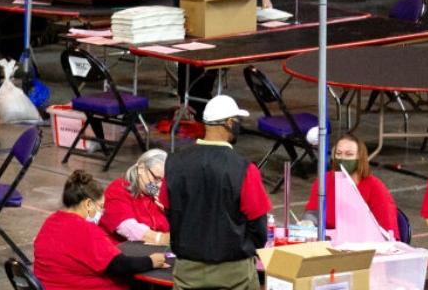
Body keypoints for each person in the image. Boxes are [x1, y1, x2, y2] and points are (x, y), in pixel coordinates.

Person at [161, 94, 271, 290]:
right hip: (235, 272)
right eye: (237, 121)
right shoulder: (244, 169)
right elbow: (258, 225)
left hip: (188, 270)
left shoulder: (173, 163)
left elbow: (168, 209)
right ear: (229, 122)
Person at [33, 170, 168, 289]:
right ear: (88, 204)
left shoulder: (51, 222)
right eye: (100, 206)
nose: (102, 212)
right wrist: (151, 261)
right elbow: (118, 265)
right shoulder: (84, 229)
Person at [303, 133, 397, 237]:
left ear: (360, 158)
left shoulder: (375, 187)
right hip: (328, 243)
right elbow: (313, 212)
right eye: (338, 153)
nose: (342, 158)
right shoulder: (324, 180)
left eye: (349, 154)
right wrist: (308, 222)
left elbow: (387, 232)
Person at [101, 149, 170, 244]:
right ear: (141, 168)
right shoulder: (118, 188)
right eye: (156, 178)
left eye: (164, 181)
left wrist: (169, 212)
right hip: (119, 250)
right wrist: (160, 238)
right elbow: (127, 227)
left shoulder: (156, 193)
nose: (159, 185)